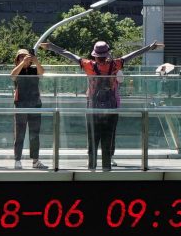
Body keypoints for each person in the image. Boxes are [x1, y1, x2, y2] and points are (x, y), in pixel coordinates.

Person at [40, 38, 162, 171]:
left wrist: (51, 46)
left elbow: (67, 53)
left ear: (95, 55)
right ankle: (106, 170)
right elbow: (133, 55)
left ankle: (91, 169)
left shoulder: (88, 65)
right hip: (111, 107)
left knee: (92, 141)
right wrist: (150, 47)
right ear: (107, 54)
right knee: (108, 140)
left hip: (93, 107)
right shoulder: (116, 64)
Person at [10, 47, 46, 169]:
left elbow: (42, 74)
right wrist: (21, 63)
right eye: (21, 56)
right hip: (21, 104)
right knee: (19, 133)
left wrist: (36, 61)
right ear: (17, 59)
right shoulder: (17, 69)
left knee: (35, 133)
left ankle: (35, 160)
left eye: (26, 56)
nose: (24, 58)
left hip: (35, 103)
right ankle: (17, 160)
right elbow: (12, 76)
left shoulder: (34, 69)